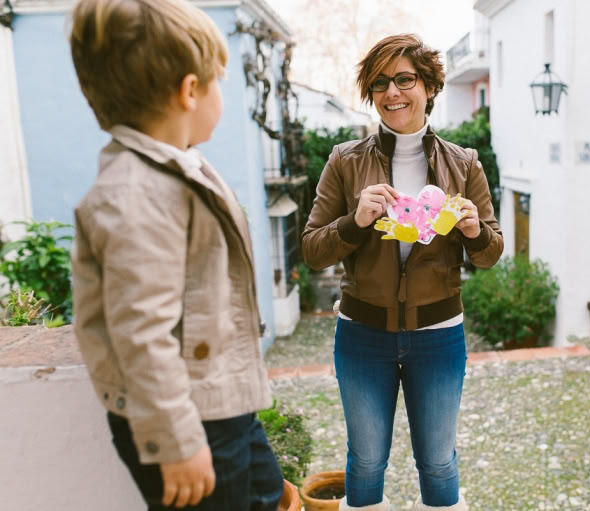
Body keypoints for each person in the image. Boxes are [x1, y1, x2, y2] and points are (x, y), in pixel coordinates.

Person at [68, 0, 283, 509]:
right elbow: (140, 332)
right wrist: (178, 444)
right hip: (188, 422)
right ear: (190, 91)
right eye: (219, 82)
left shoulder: (175, 169)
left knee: (270, 494)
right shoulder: (135, 194)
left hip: (220, 402)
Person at [302, 34, 504, 511]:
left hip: (438, 334)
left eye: (404, 79)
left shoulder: (464, 163)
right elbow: (311, 249)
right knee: (367, 461)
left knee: (437, 461)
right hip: (362, 333)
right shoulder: (344, 160)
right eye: (379, 83)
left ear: (429, 86)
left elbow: (491, 253)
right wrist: (356, 221)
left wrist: (474, 230)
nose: (392, 93)